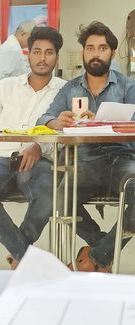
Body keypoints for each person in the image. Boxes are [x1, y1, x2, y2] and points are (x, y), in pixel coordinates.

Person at [37, 21, 135, 273]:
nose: (95, 53)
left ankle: (98, 256)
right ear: (83, 52)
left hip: (122, 158)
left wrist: (107, 123)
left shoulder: (127, 86)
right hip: (85, 162)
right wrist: (58, 121)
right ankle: (101, 249)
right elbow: (43, 119)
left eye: (102, 48)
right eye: (90, 48)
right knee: (57, 200)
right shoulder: (70, 88)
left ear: (112, 53)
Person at [0, 26, 66, 269]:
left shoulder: (66, 90)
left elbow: (66, 134)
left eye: (49, 52)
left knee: (48, 197)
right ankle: (26, 257)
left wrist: (40, 147)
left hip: (38, 160)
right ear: (27, 54)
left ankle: (21, 256)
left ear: (57, 57)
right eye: (37, 51)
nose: (42, 58)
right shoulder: (5, 87)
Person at [0, 20, 37, 85]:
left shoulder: (13, 46)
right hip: (8, 92)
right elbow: (3, 77)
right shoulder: (12, 48)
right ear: (23, 34)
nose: (33, 42)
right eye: (32, 38)